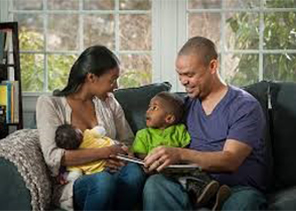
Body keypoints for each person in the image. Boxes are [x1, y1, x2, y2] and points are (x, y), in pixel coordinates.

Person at [143, 36, 268, 210]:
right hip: (194, 184)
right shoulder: (184, 106)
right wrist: (153, 161)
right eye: (180, 75)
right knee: (156, 184)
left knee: (243, 204)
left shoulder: (244, 106)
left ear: (212, 66)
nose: (183, 81)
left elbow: (230, 160)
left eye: (190, 74)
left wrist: (180, 154)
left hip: (237, 190)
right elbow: (161, 134)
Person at [36, 45, 146, 211]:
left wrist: (121, 157)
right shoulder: (51, 104)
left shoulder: (109, 102)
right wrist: (106, 152)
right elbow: (54, 157)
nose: (115, 86)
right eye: (112, 80)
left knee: (134, 174)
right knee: (103, 182)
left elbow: (127, 140)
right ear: (91, 77)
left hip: (112, 171)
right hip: (76, 179)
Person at [132, 91, 230, 209]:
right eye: (149, 107)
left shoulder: (179, 130)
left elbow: (186, 149)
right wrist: (147, 164)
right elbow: (140, 155)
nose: (148, 111)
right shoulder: (143, 134)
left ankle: (209, 194)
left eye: (154, 108)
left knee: (196, 172)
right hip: (160, 170)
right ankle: (203, 199)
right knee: (174, 181)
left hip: (179, 168)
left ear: (169, 118)